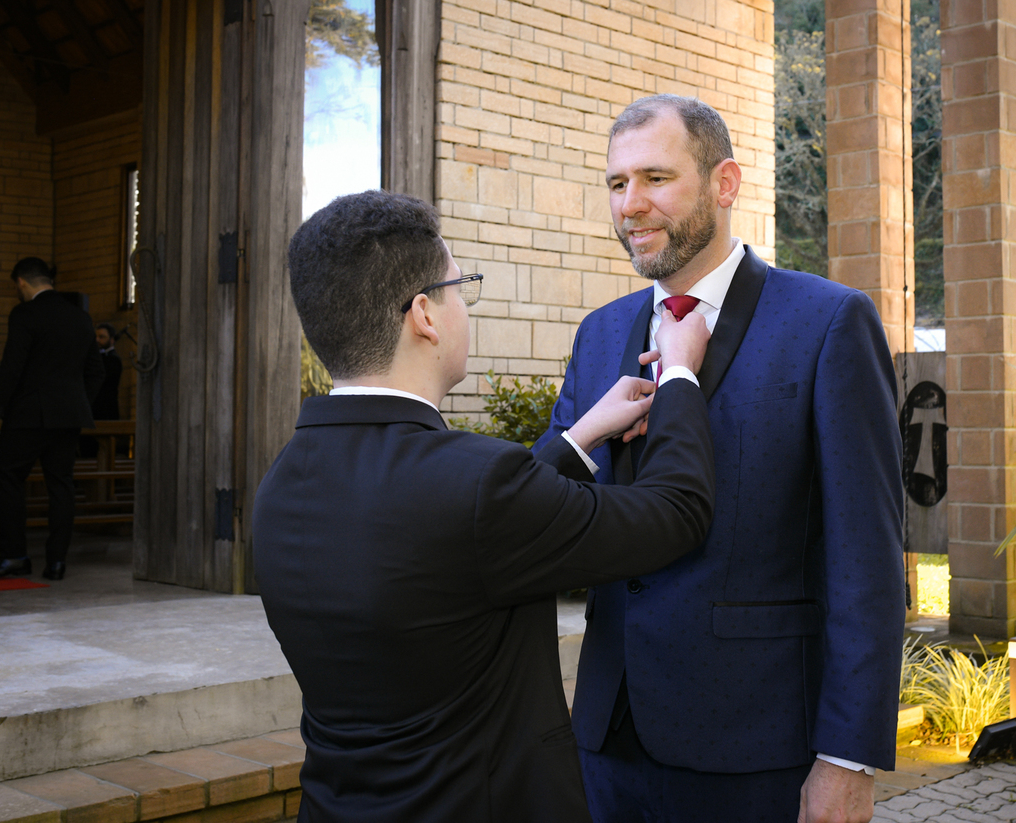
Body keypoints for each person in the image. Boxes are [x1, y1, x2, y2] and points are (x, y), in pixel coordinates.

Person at [252, 190, 716, 823]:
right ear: (424, 315)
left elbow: (454, 535)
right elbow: (676, 514)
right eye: (458, 286)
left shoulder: (282, 485)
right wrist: (684, 375)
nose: (462, 306)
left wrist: (581, 434)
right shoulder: (473, 486)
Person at [535, 94, 906, 823]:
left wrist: (846, 757)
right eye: (616, 184)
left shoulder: (828, 322)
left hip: (760, 747)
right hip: (608, 743)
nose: (631, 205)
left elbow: (867, 559)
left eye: (655, 178)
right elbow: (548, 518)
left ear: (724, 183)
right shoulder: (599, 332)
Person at [0, 257, 104, 581]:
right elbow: (95, 373)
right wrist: (77, 403)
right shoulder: (81, 318)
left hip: (29, 414)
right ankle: (56, 562)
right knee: (61, 485)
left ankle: (14, 555)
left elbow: (12, 367)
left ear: (22, 283)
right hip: (68, 417)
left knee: (4, 473)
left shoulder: (26, 313)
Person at [79, 322, 123, 458]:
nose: (97, 340)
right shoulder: (95, 358)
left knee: (105, 454)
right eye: (96, 337)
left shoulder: (113, 360)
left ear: (111, 340)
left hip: (105, 412)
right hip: (92, 411)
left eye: (102, 337)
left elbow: (101, 381)